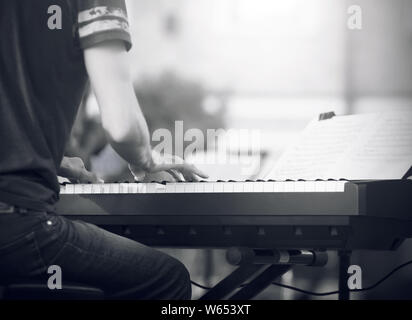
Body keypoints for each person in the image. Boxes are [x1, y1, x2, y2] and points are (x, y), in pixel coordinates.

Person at [0, 0, 207, 300]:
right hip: (13, 220)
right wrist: (145, 159)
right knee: (167, 279)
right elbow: (122, 126)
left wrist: (51, 160)